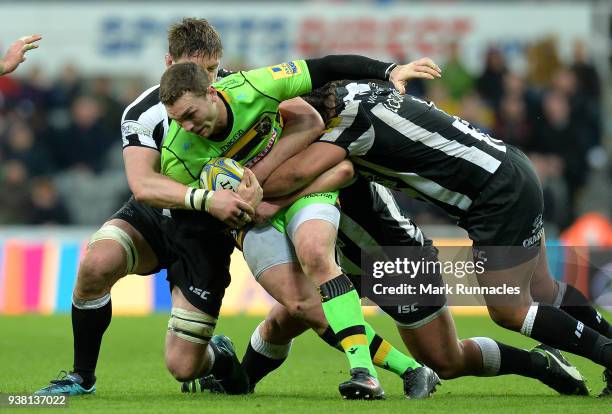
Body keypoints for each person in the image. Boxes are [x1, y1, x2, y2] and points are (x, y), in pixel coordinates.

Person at [257, 78, 612, 396]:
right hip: (510, 167)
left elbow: (302, 174)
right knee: (545, 291)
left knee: (509, 310)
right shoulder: (360, 91)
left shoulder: (344, 130)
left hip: (493, 195)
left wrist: (249, 188)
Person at [35, 18, 322, 396]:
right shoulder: (144, 113)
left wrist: (261, 185)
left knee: (183, 366)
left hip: (206, 233)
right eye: (193, 70)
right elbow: (142, 185)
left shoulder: (246, 88)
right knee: (95, 263)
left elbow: (307, 117)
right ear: (170, 63)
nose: (206, 82)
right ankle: (81, 377)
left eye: (211, 70)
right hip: (157, 213)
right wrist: (206, 197)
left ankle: (219, 357)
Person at [159, 57, 441, 399]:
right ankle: (411, 369)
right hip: (250, 221)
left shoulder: (255, 88)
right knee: (300, 305)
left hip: (304, 194)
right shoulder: (177, 152)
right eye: (177, 120)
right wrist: (226, 210)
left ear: (211, 92)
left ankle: (364, 374)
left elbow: (325, 68)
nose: (186, 127)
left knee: (316, 254)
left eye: (190, 115)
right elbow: (184, 211)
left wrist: (388, 71)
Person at [205, 175, 585, 396]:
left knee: (446, 360)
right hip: (349, 260)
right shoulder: (302, 148)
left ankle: (540, 362)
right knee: (288, 315)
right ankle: (239, 383)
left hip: (395, 258)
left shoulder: (329, 152)